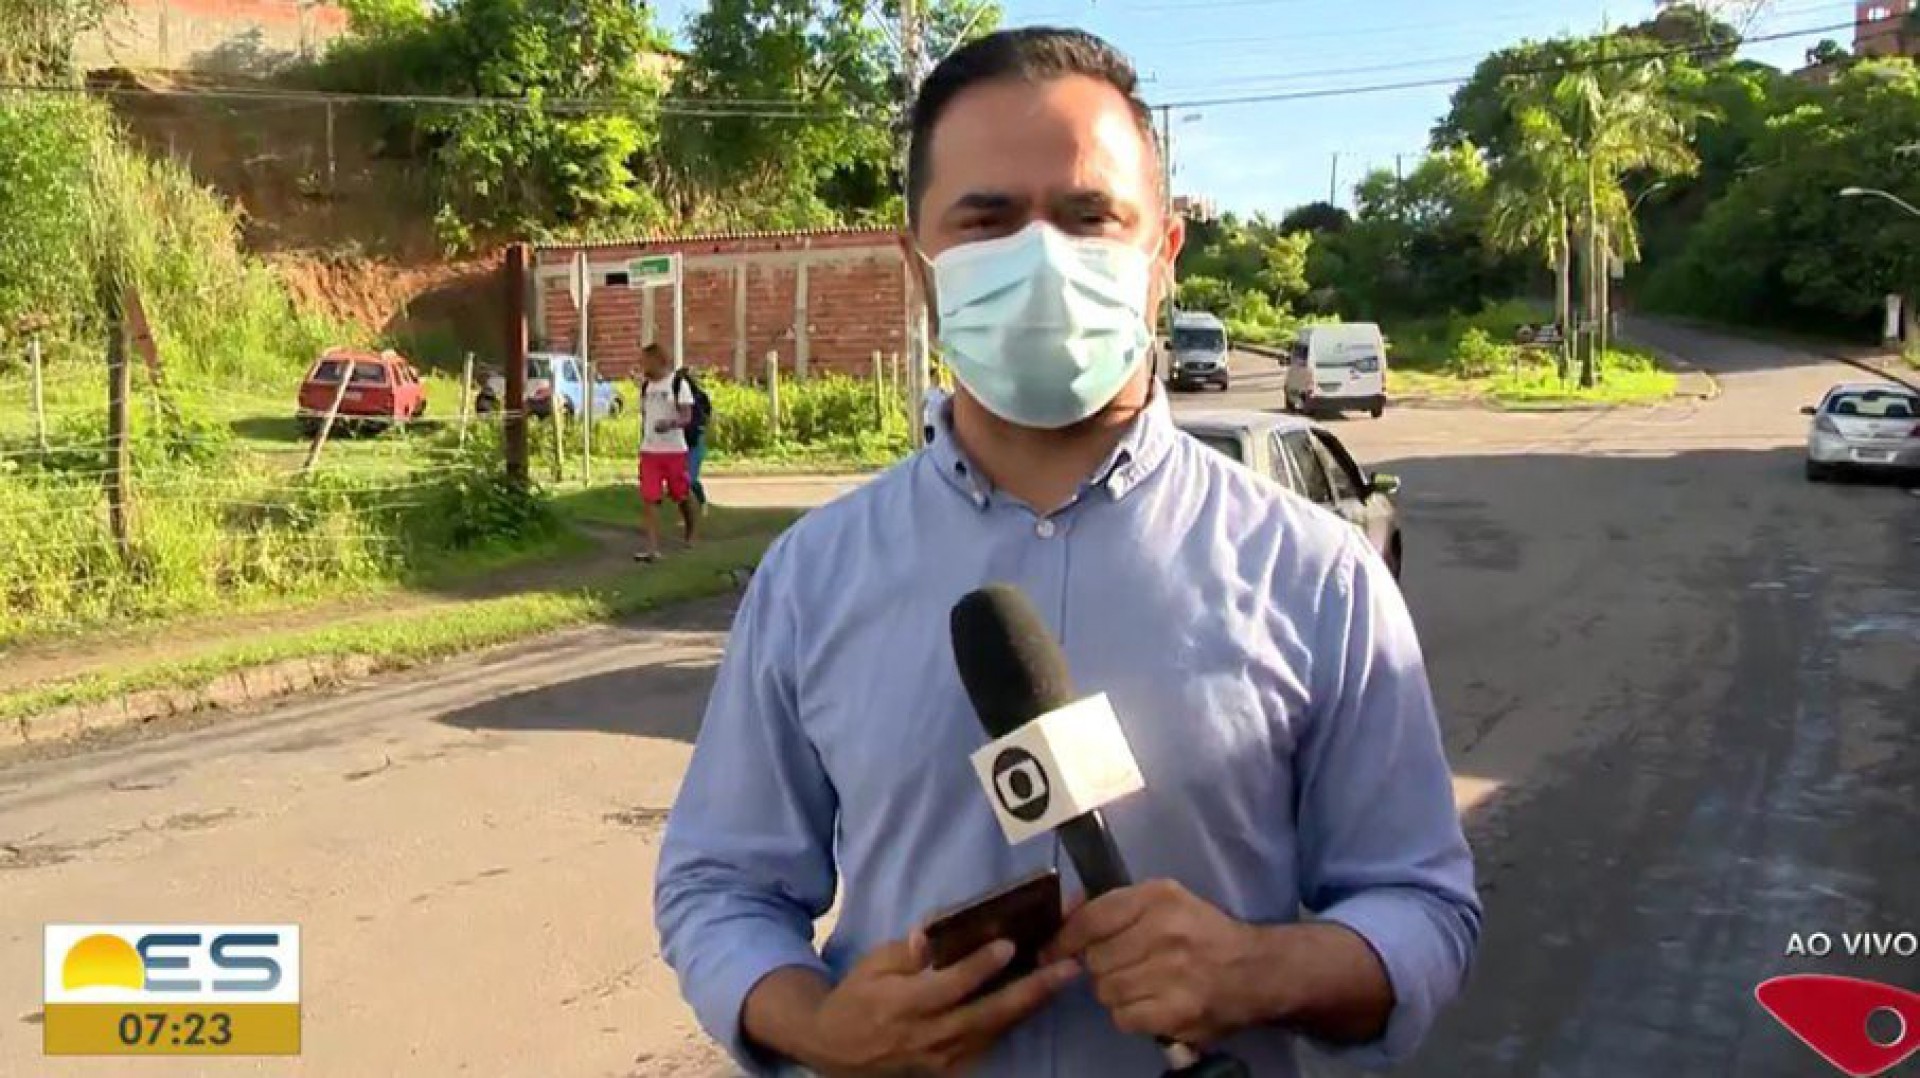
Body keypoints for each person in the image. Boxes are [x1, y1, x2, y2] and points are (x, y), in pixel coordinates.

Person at [654, 27, 1479, 1078]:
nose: (1042, 256)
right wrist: (814, 1024)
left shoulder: (1317, 575)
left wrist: (1262, 970)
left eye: (1089, 217)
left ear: (1161, 256)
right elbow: (720, 885)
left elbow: (1423, 905)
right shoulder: (815, 575)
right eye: (988, 220)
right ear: (921, 267)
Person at [634, 344, 698, 562]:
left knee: (680, 495)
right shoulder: (645, 387)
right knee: (649, 497)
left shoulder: (678, 384)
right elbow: (645, 416)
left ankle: (691, 530)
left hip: (674, 450)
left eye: (645, 361)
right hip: (650, 451)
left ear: (658, 361)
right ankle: (652, 549)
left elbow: (687, 416)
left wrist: (671, 423)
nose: (641, 365)